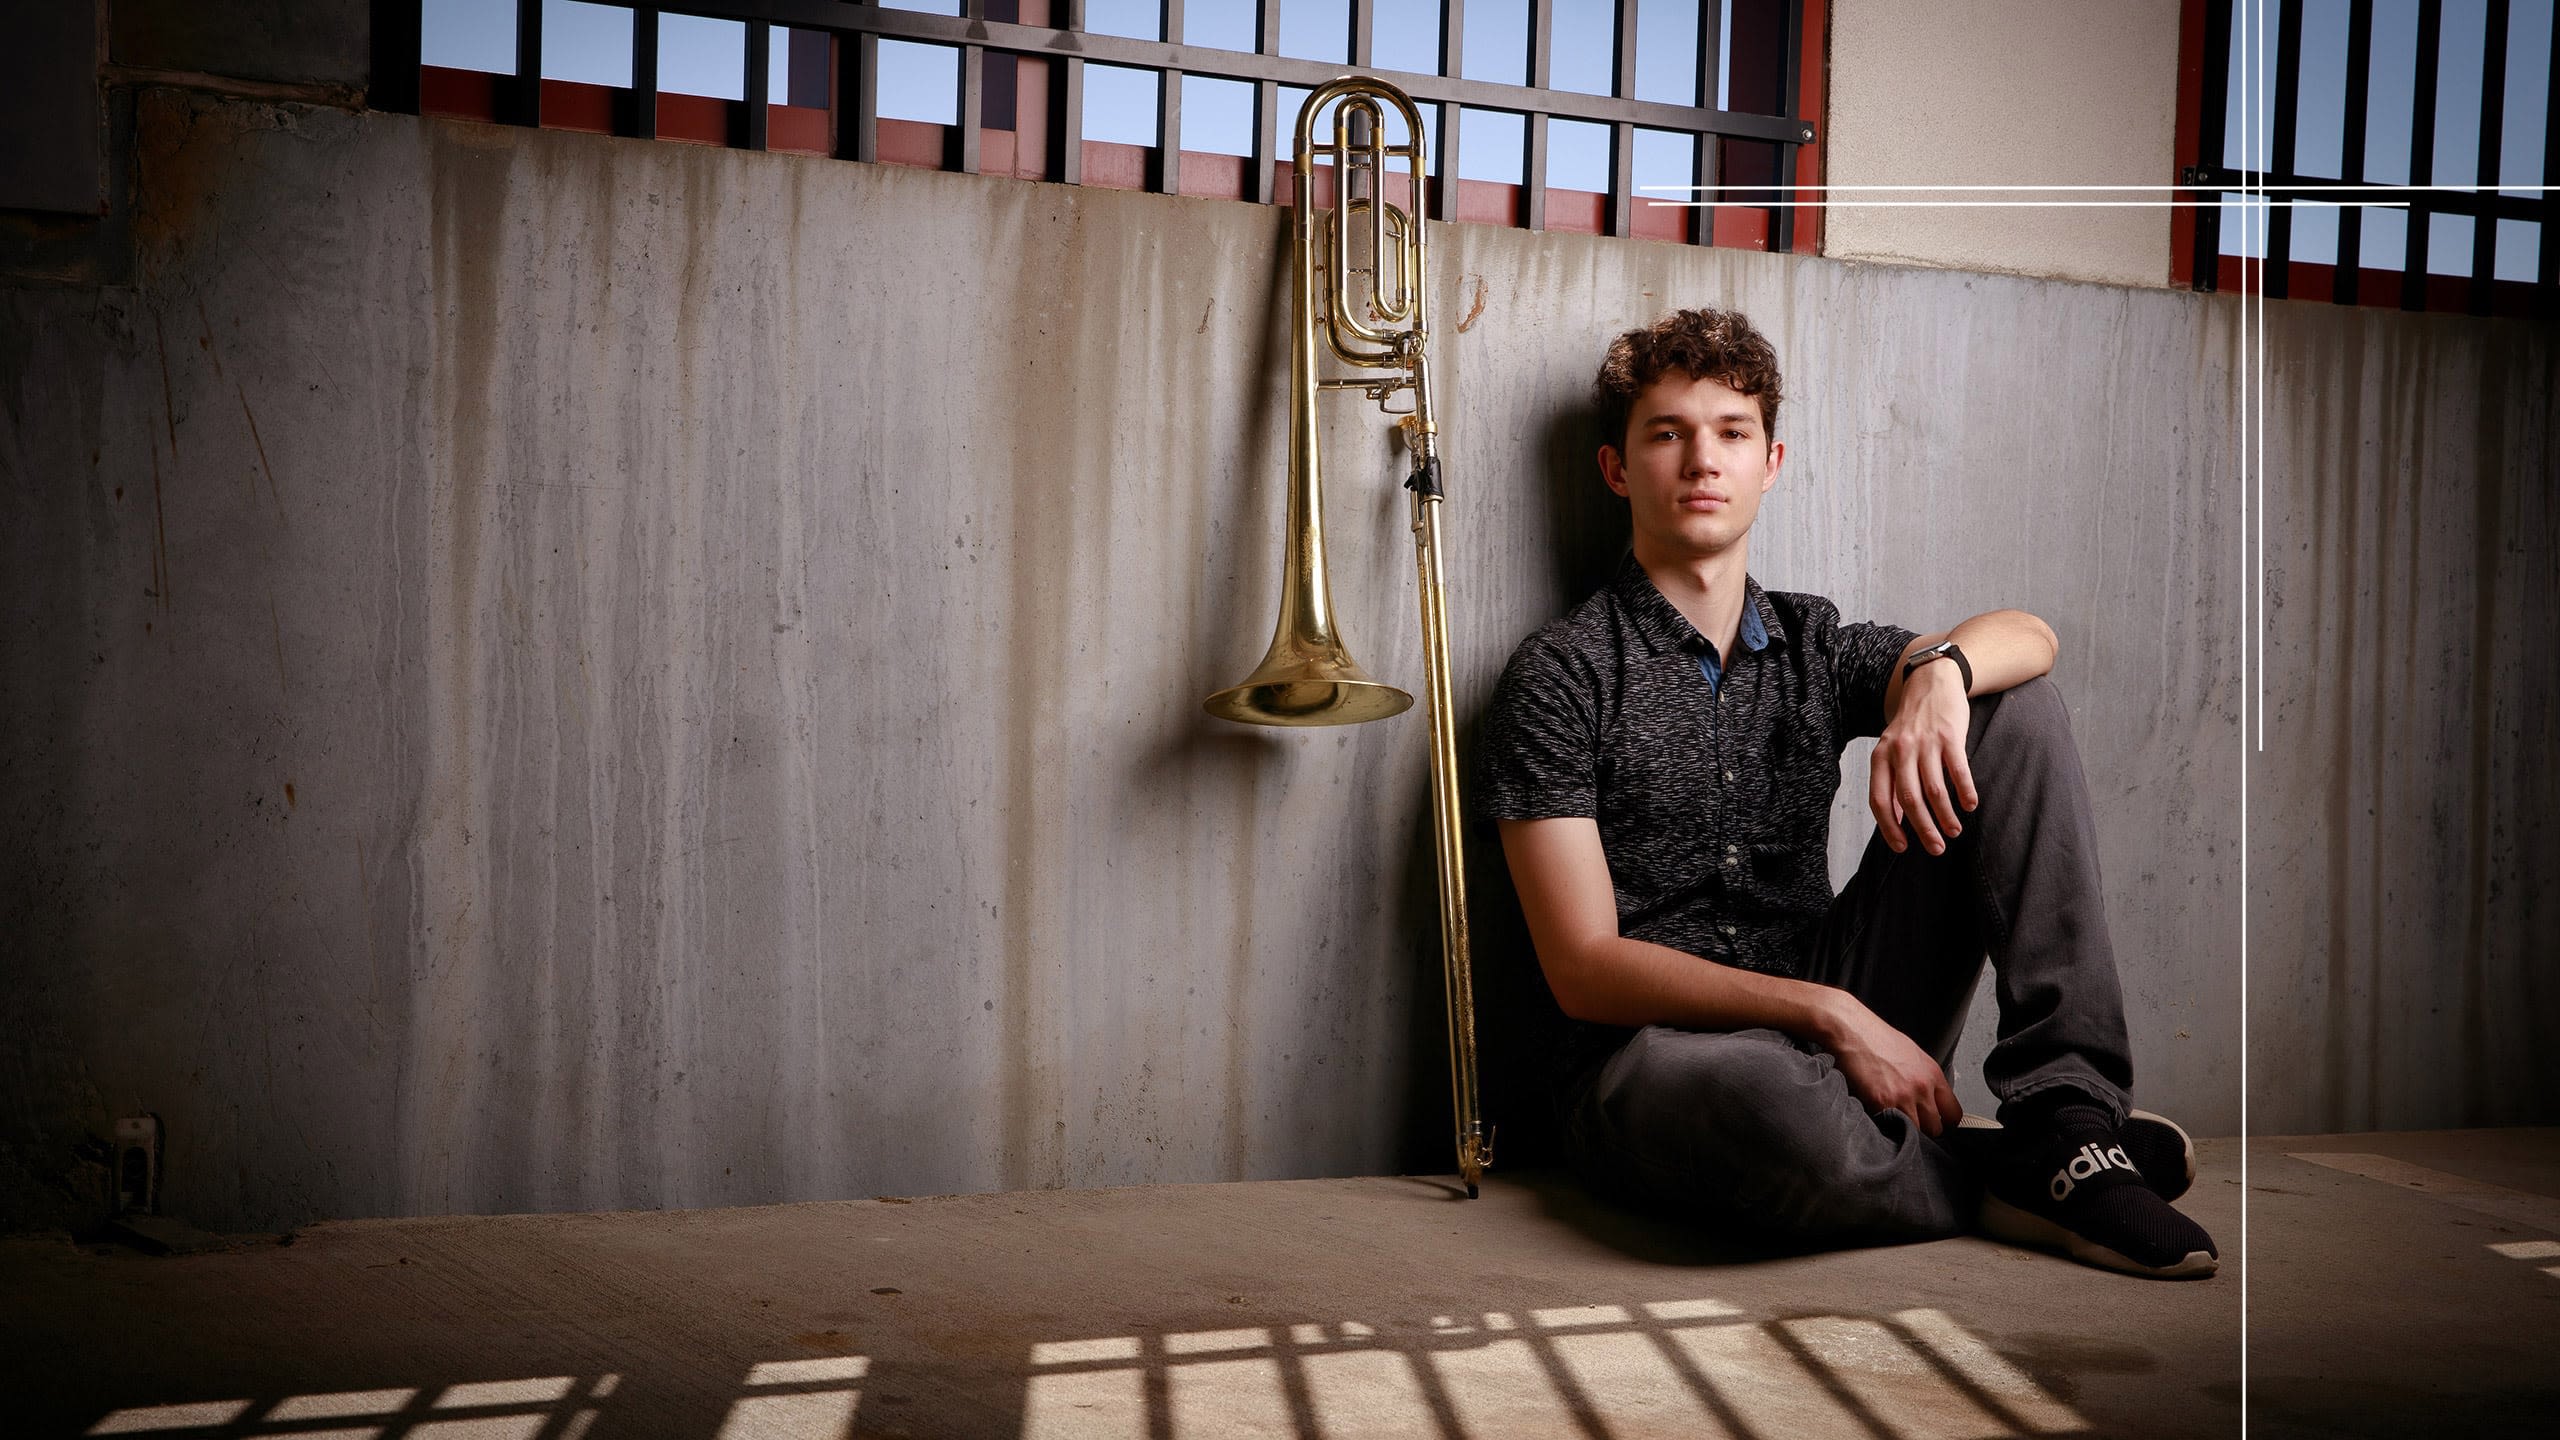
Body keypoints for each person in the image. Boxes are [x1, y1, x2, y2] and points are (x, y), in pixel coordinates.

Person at [1475, 307, 2218, 1279]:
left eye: (1731, 434)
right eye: (1667, 434)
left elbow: (2030, 637)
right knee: (1753, 1103)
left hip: (1851, 999)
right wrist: (1830, 1014)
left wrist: (1937, 678)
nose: (1703, 460)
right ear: (1618, 469)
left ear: (1769, 461)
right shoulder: (1561, 674)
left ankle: (2064, 1115)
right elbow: (1583, 968)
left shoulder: (1812, 641)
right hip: (1660, 1065)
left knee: (2010, 707)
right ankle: (2017, 1175)